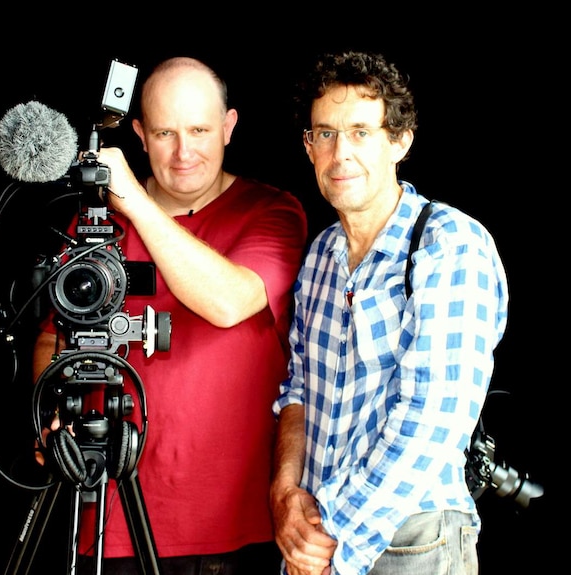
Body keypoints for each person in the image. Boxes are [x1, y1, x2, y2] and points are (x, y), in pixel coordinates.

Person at [33, 56, 308, 574]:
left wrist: (134, 200)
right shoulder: (96, 223)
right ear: (138, 133)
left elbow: (228, 302)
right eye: (164, 132)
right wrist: (51, 407)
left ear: (229, 126)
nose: (184, 153)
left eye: (200, 130)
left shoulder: (272, 212)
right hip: (109, 516)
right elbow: (54, 336)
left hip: (230, 523)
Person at [269, 51, 510, 575]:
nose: (340, 154)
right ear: (308, 146)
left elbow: (431, 422)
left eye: (361, 132)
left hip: (409, 540)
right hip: (313, 538)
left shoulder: (449, 245)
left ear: (400, 141)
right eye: (325, 133)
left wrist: (330, 535)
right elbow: (299, 392)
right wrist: (286, 494)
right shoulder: (321, 257)